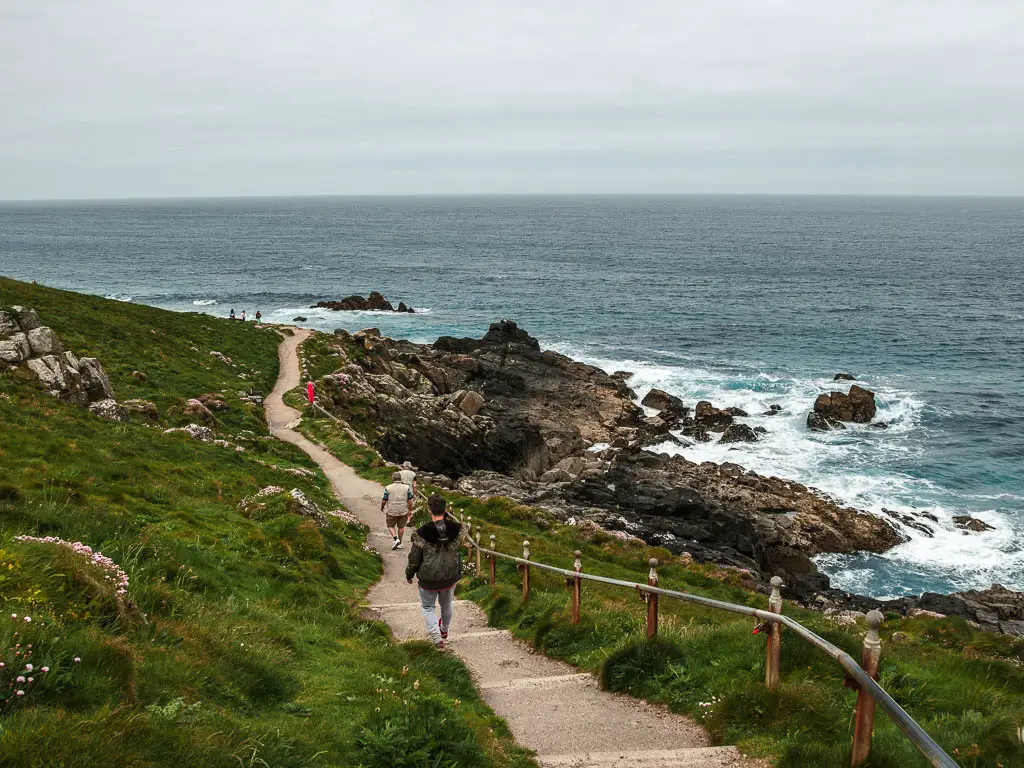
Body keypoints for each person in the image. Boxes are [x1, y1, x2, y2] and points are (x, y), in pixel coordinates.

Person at [406, 495, 465, 649]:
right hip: (449, 576)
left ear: (429, 510)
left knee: (428, 607)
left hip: (428, 578)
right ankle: (444, 630)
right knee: (446, 605)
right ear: (445, 510)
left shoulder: (423, 532)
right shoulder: (456, 529)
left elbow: (414, 558)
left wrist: (409, 573)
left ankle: (436, 637)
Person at [381, 471, 413, 550]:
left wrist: (382, 507)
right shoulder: (407, 487)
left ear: (393, 478)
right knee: (401, 527)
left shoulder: (388, 488)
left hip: (392, 510)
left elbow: (384, 500)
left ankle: (395, 539)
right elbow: (410, 500)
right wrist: (410, 510)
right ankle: (400, 543)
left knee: (390, 526)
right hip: (403, 510)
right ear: (400, 478)